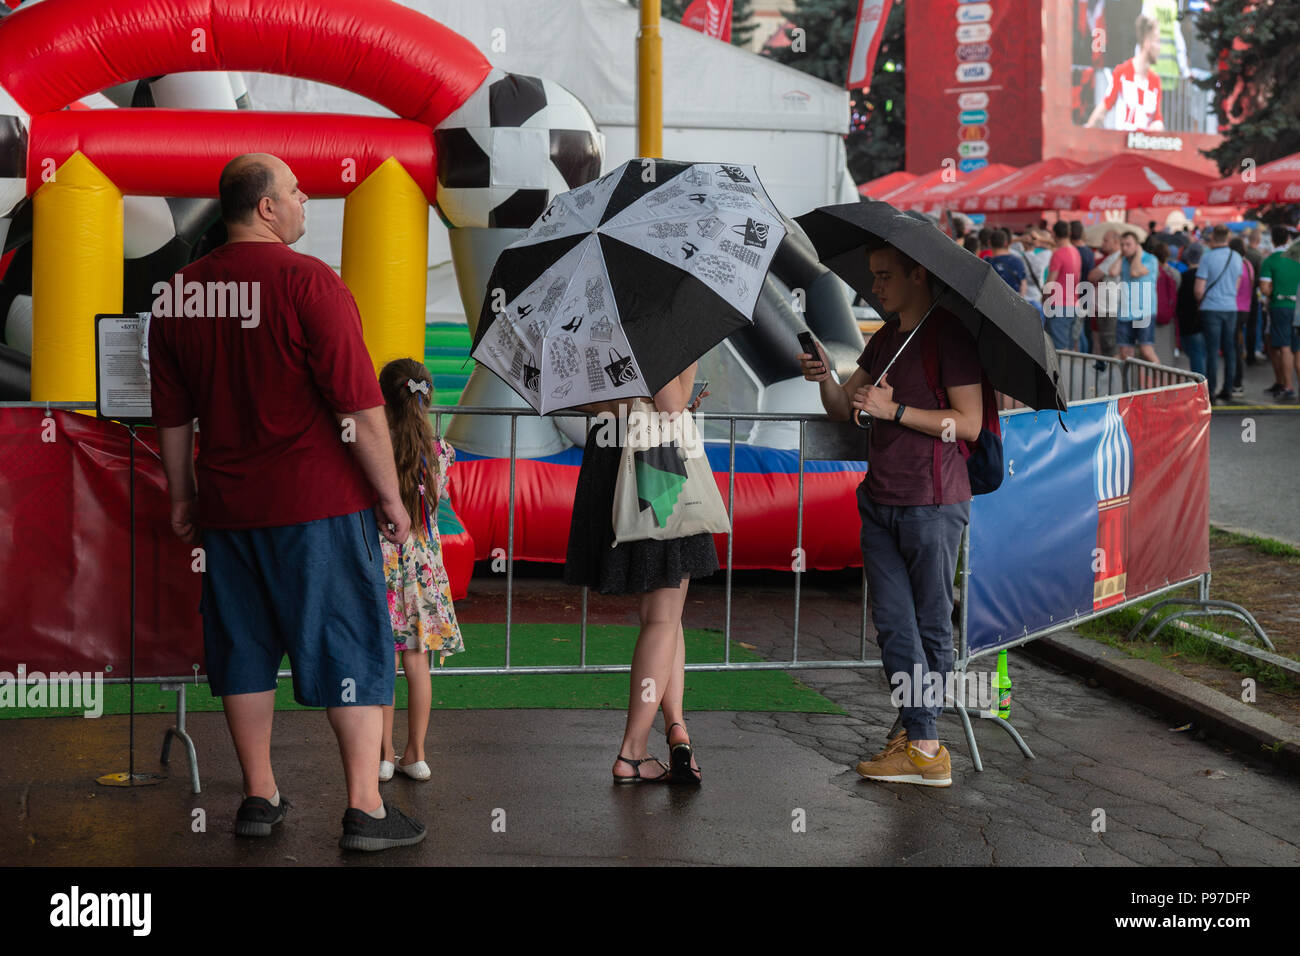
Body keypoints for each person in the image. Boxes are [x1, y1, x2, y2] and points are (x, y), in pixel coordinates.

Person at [149, 153, 426, 850]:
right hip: (320, 509)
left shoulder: (179, 294)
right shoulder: (312, 282)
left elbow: (173, 417)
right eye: (297, 191)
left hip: (229, 511)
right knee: (349, 645)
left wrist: (183, 496)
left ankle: (258, 796)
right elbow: (361, 410)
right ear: (266, 207)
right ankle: (365, 809)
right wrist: (391, 497)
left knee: (241, 650)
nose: (306, 201)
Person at [799, 244, 984, 788]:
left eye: (885, 277)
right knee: (893, 625)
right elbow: (843, 408)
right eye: (873, 277)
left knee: (929, 622)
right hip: (880, 500)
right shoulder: (885, 339)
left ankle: (925, 744)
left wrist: (896, 410)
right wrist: (826, 376)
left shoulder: (948, 336)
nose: (875, 287)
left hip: (932, 504)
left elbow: (967, 424)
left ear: (917, 273)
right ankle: (917, 732)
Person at [565, 371, 714, 785]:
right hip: (655, 467)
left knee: (668, 616)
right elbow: (670, 403)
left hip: (613, 461)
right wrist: (688, 372)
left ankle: (676, 730)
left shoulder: (599, 316)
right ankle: (632, 752)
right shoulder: (657, 319)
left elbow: (578, 397)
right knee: (663, 617)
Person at [376, 359, 465, 783]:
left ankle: (382, 754)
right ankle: (417, 753)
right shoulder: (441, 451)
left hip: (381, 565)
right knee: (418, 664)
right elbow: (439, 498)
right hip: (424, 569)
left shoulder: (375, 449)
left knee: (382, 663)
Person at [1085, 13, 1164, 131]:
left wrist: (1158, 125)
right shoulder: (1122, 72)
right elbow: (1104, 107)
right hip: (1122, 145)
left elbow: (1158, 118)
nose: (1160, 48)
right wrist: (1084, 134)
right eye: (1158, 42)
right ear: (1147, 43)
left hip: (1144, 147)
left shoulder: (1155, 81)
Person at [1195, 224, 1244, 404]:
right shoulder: (1237, 257)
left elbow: (1199, 289)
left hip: (1211, 308)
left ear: (1213, 237)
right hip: (1231, 308)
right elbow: (1237, 285)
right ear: (1228, 237)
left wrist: (1200, 300)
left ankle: (1212, 392)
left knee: (1212, 351)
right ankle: (1228, 389)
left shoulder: (1207, 258)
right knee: (1230, 349)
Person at [1259, 225, 1300, 401]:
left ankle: (1288, 386)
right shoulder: (1297, 259)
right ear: (1288, 239)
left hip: (1280, 306)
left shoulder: (1269, 261)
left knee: (1284, 347)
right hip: (1298, 306)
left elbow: (1265, 289)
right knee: (1298, 349)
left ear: (1273, 240)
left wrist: (1274, 290)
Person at [1112, 230, 1159, 365]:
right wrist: (1121, 255)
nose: (1125, 248)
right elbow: (1113, 271)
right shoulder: (1124, 260)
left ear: (1137, 245)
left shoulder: (1150, 259)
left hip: (1144, 311)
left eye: (1128, 244)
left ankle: (1161, 381)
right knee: (1125, 353)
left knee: (1146, 351)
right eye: (1122, 245)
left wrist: (1138, 253)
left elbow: (1135, 271)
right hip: (1126, 312)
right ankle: (1129, 384)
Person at [1045, 220, 1083, 351]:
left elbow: (1050, 283)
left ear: (1054, 234)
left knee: (1059, 350)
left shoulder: (1058, 254)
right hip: (1074, 305)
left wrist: (1044, 299)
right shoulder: (1076, 252)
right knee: (1070, 350)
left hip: (1059, 305)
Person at [1088, 229, 1123, 357]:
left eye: (1106, 240)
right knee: (1106, 346)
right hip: (1105, 308)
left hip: (1110, 309)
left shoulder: (1116, 257)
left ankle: (1113, 376)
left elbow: (1092, 276)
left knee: (1110, 347)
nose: (1103, 243)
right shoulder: (1112, 257)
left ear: (1116, 242)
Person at [1228, 236, 1255, 394]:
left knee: (1233, 346)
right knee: (1237, 343)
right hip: (1246, 308)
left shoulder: (1235, 263)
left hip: (1234, 308)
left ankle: (1236, 381)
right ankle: (1237, 381)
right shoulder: (1248, 264)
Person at [1175, 244, 1206, 377]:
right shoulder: (1205, 277)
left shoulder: (1183, 277)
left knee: (1195, 354)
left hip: (1188, 322)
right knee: (1200, 353)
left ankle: (1199, 386)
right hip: (1203, 320)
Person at [1070, 221, 1096, 351]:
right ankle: (1088, 357)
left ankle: (1083, 359)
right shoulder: (1089, 252)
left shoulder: (1073, 252)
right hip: (1088, 295)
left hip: (1077, 296)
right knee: (1085, 331)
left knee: (1078, 334)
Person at [987, 228, 1027, 297]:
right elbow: (1023, 285)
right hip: (1013, 301)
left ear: (989, 243)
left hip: (992, 300)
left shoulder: (987, 262)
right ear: (1006, 243)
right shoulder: (1018, 261)